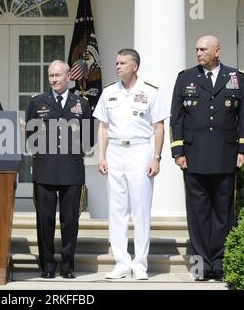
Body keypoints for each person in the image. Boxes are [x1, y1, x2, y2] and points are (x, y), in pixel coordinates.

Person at [170, 35, 244, 281]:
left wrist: (243, 150)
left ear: (217, 51)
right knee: (197, 214)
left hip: (226, 155)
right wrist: (178, 152)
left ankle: (220, 264)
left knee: (223, 213)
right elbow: (176, 118)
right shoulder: (185, 78)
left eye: (203, 49)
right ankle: (200, 266)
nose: (198, 53)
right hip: (194, 157)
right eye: (197, 49)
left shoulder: (236, 78)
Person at [93, 49, 169, 280]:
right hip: (115, 151)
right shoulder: (108, 92)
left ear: (134, 66)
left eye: (122, 63)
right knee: (116, 210)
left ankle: (140, 263)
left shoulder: (150, 92)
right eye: (116, 62)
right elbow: (103, 127)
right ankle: (121, 262)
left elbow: (158, 127)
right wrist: (102, 157)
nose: (117, 66)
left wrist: (156, 157)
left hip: (139, 150)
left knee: (140, 209)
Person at [26, 60, 91, 279]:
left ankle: (67, 266)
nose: (54, 79)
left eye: (58, 75)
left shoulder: (81, 103)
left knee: (70, 220)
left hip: (71, 168)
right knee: (44, 219)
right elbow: (30, 137)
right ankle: (47, 266)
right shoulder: (37, 102)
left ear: (68, 77)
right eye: (51, 76)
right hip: (45, 168)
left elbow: (88, 138)